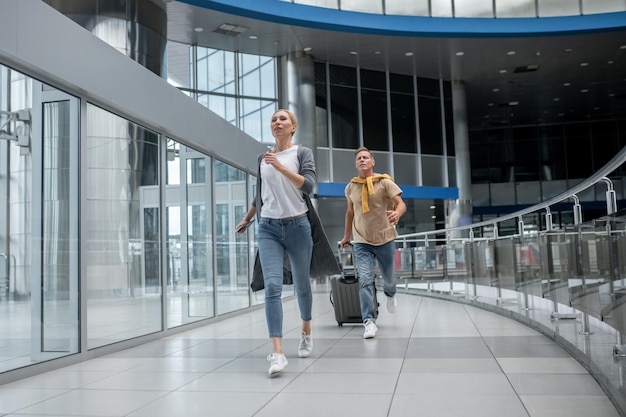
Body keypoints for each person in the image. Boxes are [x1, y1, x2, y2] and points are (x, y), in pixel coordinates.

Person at [237, 109, 330, 376]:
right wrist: (247, 219)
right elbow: (260, 194)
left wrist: (280, 167)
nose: (277, 123)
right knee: (273, 286)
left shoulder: (301, 154)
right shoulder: (262, 158)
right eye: (274, 120)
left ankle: (306, 330)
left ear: (293, 127)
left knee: (302, 285)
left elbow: (309, 186)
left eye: (283, 119)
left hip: (298, 226)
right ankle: (277, 352)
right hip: (268, 227)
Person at [339, 147, 406, 339]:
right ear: (356, 163)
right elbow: (350, 213)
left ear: (372, 161)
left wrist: (397, 213)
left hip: (385, 238)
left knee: (389, 278)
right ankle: (368, 321)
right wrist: (346, 236)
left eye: (366, 157)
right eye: (359, 158)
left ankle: (391, 294)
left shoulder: (384, 182)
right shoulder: (351, 187)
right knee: (365, 280)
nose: (362, 160)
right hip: (361, 241)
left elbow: (401, 203)